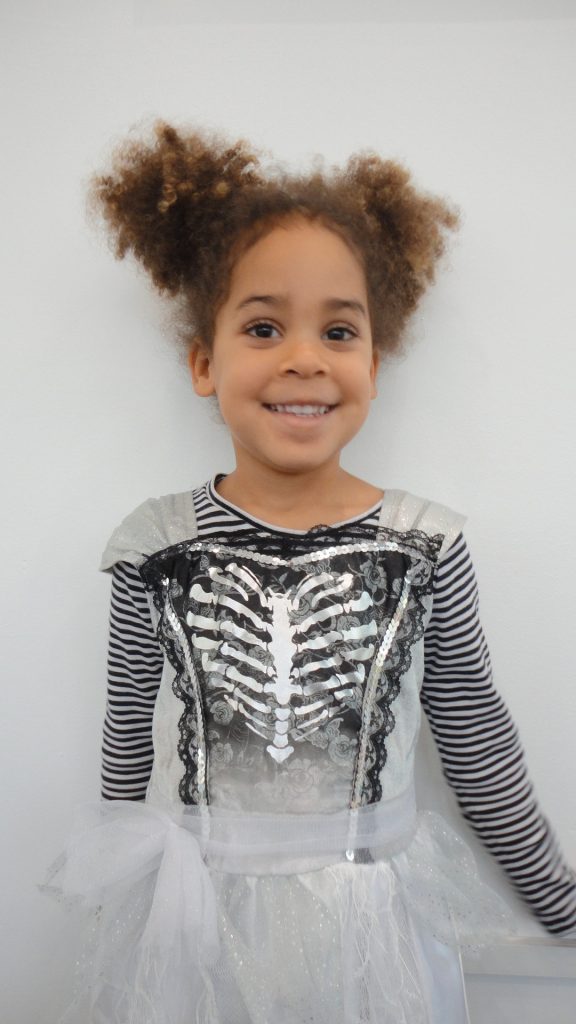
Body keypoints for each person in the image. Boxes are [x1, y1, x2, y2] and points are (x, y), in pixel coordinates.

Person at [49, 122, 576, 1024]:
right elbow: (127, 732)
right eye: (264, 327)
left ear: (373, 363)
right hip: (198, 930)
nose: (304, 357)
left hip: (374, 929)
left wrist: (561, 904)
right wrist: (117, 910)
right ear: (204, 362)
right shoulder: (150, 546)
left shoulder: (427, 544)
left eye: (338, 330)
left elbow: (474, 731)